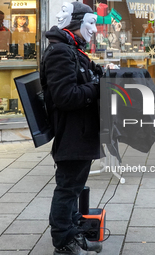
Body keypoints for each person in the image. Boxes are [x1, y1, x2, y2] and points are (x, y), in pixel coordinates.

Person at [40, 2, 103, 255]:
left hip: (81, 131)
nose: (94, 30)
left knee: (74, 187)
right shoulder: (60, 52)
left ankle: (72, 232)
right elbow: (65, 96)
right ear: (75, 24)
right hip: (72, 133)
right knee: (67, 189)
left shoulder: (72, 49)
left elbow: (81, 80)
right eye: (91, 23)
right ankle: (63, 242)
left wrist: (100, 75)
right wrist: (98, 88)